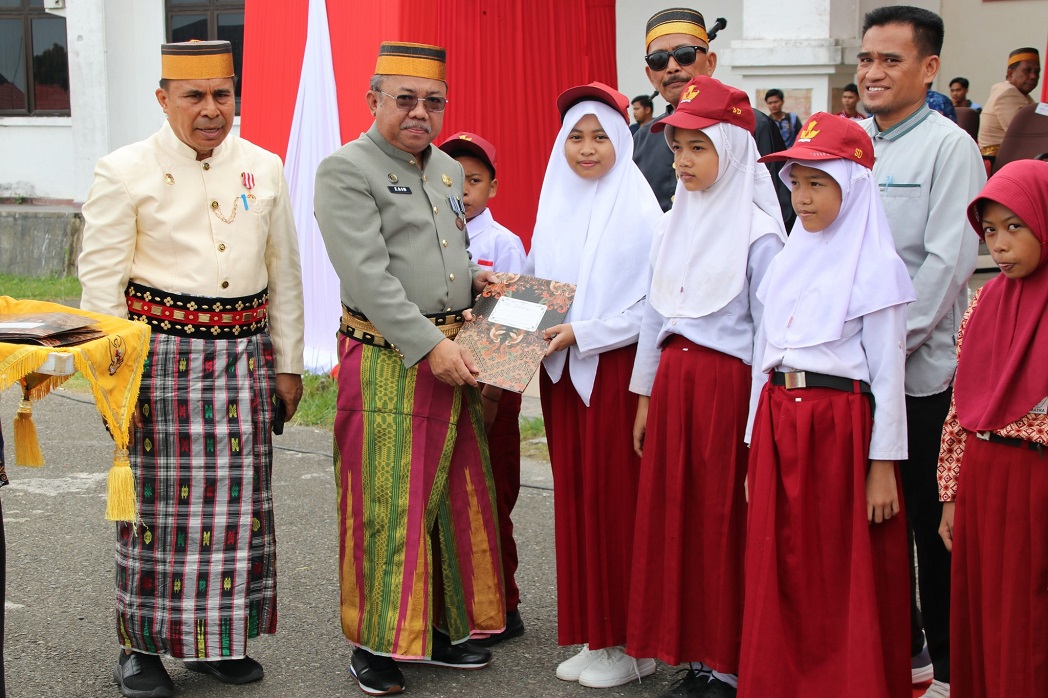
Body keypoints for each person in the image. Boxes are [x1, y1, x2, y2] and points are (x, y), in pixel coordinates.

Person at [78, 40, 306, 698]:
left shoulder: (263, 166)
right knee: (155, 512)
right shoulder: (124, 170)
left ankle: (214, 643)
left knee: (234, 512)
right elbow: (100, 289)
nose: (211, 110)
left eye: (222, 95)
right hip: (157, 367)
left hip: (243, 360)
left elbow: (283, 274)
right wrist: (111, 378)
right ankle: (140, 648)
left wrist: (287, 364)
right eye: (194, 96)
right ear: (163, 98)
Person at [313, 42, 504, 697]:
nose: (420, 113)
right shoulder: (346, 168)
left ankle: (444, 630)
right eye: (405, 99)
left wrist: (484, 288)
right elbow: (367, 275)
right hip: (390, 356)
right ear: (373, 100)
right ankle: (374, 642)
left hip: (456, 351)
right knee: (386, 503)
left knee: (454, 497)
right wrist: (430, 345)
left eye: (433, 102)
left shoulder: (448, 169)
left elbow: (446, 257)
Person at [739, 112, 916, 698]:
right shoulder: (791, 256)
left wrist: (884, 465)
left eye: (819, 183)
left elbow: (888, 373)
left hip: (837, 426)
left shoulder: (878, 268)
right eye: (796, 183)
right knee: (780, 562)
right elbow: (765, 353)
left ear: (853, 185)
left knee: (834, 565)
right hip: (776, 418)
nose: (804, 197)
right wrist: (749, 447)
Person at [625, 75, 785, 698]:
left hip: (728, 390)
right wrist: (644, 396)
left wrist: (755, 423)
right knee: (676, 516)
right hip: (674, 386)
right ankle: (690, 649)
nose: (682, 161)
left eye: (697, 147)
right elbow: (653, 315)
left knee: (723, 519)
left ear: (731, 149)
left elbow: (770, 335)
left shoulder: (760, 233)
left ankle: (729, 661)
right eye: (676, 147)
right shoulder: (671, 223)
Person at [858, 7, 986, 697]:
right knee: (875, 533)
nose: (874, 72)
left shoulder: (948, 147)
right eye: (867, 59)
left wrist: (880, 346)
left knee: (929, 536)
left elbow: (946, 265)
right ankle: (903, 658)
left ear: (928, 68)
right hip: (856, 378)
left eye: (891, 60)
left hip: (920, 380)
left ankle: (953, 671)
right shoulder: (857, 145)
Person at [527, 82, 661, 689]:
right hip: (560, 378)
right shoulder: (554, 202)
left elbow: (653, 309)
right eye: (576, 137)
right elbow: (533, 287)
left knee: (616, 505)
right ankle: (594, 633)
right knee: (577, 502)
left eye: (601, 137)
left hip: (613, 374)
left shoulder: (640, 211)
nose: (587, 150)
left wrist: (585, 332)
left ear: (623, 142)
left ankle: (633, 644)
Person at [937, 159, 1048, 698]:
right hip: (983, 482)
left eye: (1014, 226)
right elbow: (961, 408)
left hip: (1036, 483)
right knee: (987, 610)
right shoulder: (982, 306)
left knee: (1029, 619)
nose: (999, 245)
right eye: (989, 232)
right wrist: (952, 495)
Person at [437, 131, 527, 647]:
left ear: (493, 186)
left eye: (475, 180)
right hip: (447, 376)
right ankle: (458, 602)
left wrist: (492, 395)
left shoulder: (504, 243)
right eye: (455, 179)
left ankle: (504, 606)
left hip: (495, 382)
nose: (464, 190)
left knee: (493, 494)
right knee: (450, 496)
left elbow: (517, 325)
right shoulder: (434, 236)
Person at [633, 7, 794, 230]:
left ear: (710, 63)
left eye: (685, 55)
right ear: (650, 75)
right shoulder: (642, 139)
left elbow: (779, 213)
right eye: (658, 60)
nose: (671, 68)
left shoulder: (749, 126)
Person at [978, 47, 1041, 162]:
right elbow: (1029, 136)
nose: (1034, 76)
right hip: (1000, 162)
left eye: (1037, 72)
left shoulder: (1020, 94)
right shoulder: (1008, 93)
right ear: (1010, 73)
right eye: (1027, 70)